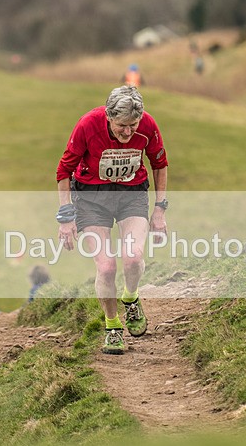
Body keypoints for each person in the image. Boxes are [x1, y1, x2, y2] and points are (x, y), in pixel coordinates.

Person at [56, 85, 169, 355]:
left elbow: (159, 163)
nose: (128, 132)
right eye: (121, 126)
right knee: (106, 267)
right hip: (92, 199)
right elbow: (63, 170)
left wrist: (160, 209)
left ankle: (130, 298)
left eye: (133, 125)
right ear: (108, 116)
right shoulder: (87, 125)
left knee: (132, 257)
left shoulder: (148, 126)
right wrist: (65, 217)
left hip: (131, 194)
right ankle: (112, 325)